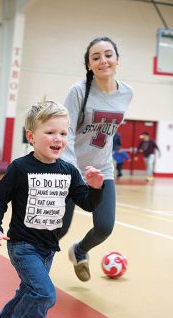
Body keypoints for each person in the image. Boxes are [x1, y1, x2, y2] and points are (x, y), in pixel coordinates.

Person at [0, 100, 104, 318]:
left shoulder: (68, 171)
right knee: (44, 293)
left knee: (28, 290)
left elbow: (87, 203)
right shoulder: (20, 168)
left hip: (48, 248)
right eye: (50, 132)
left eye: (63, 134)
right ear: (31, 136)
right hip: (22, 245)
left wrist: (96, 189)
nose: (58, 139)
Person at [60, 37, 133, 282]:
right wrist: (69, 168)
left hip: (101, 170)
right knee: (59, 229)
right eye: (96, 57)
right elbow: (66, 129)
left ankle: (79, 252)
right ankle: (34, 266)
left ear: (117, 60)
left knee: (104, 227)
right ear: (89, 65)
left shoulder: (127, 93)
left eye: (108, 54)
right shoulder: (79, 91)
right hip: (71, 170)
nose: (103, 60)